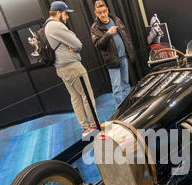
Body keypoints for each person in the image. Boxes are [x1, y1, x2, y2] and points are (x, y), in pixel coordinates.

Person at [45, 1, 98, 136]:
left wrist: (71, 46)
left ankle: (85, 128)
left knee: (75, 97)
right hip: (72, 67)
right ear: (58, 13)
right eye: (65, 14)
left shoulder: (47, 26)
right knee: (87, 96)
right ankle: (93, 126)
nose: (67, 17)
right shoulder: (56, 25)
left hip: (61, 69)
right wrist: (73, 47)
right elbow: (78, 44)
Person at [90, 0, 135, 107]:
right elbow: (98, 45)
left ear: (107, 10)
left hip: (124, 57)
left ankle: (128, 105)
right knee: (117, 87)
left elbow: (125, 35)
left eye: (104, 11)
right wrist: (108, 34)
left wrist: (129, 50)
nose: (103, 14)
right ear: (96, 13)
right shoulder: (95, 28)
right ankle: (120, 109)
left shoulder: (116, 19)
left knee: (125, 83)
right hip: (112, 60)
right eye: (99, 12)